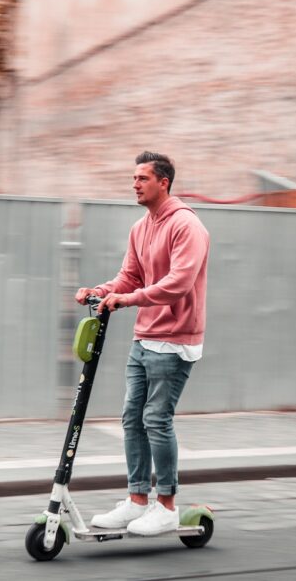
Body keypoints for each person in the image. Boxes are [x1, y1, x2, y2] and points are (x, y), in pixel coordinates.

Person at [74, 151, 210, 535]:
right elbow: (129, 276)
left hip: (176, 338)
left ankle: (165, 504)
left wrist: (128, 300)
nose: (134, 183)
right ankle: (137, 501)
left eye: (142, 178)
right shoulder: (141, 227)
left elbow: (178, 283)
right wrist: (100, 292)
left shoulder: (187, 226)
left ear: (163, 182)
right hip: (145, 337)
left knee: (156, 418)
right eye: (133, 178)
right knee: (132, 418)